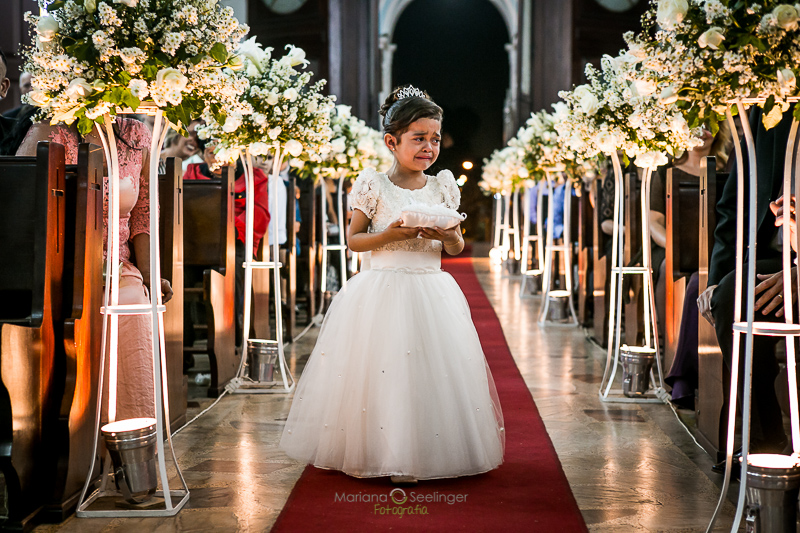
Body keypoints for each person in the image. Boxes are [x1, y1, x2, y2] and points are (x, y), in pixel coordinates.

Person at [279, 85, 505, 484]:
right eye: (419, 138)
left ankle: (427, 449)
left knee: (430, 371)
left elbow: (455, 246)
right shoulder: (374, 185)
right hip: (382, 288)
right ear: (391, 141)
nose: (429, 147)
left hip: (431, 287)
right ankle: (387, 453)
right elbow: (355, 240)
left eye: (435, 139)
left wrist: (447, 234)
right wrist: (392, 234)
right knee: (387, 370)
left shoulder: (442, 186)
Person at [17, 117, 174, 421]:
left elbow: (143, 214)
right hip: (61, 262)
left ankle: (131, 428)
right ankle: (82, 425)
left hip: (117, 264)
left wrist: (151, 275)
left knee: (132, 300)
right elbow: (24, 197)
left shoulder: (136, 134)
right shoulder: (50, 129)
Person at [697, 106, 796, 473]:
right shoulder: (769, 108)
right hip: (770, 256)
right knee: (730, 297)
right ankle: (765, 442)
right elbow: (732, 204)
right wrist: (716, 277)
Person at [649, 123, 731, 407]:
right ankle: (667, 347)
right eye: (696, 126)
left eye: (709, 126)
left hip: (718, 252)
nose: (702, 132)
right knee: (665, 268)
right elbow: (654, 222)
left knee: (703, 278)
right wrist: (676, 246)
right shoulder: (665, 170)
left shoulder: (728, 170)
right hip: (674, 251)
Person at [183, 140, 270, 344]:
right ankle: (184, 341)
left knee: (232, 270)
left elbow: (259, 214)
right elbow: (183, 207)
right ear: (202, 155)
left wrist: (228, 227)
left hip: (235, 243)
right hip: (196, 246)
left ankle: (231, 336)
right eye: (211, 153)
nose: (218, 159)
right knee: (177, 276)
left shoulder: (252, 177)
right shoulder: (192, 173)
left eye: (224, 152)